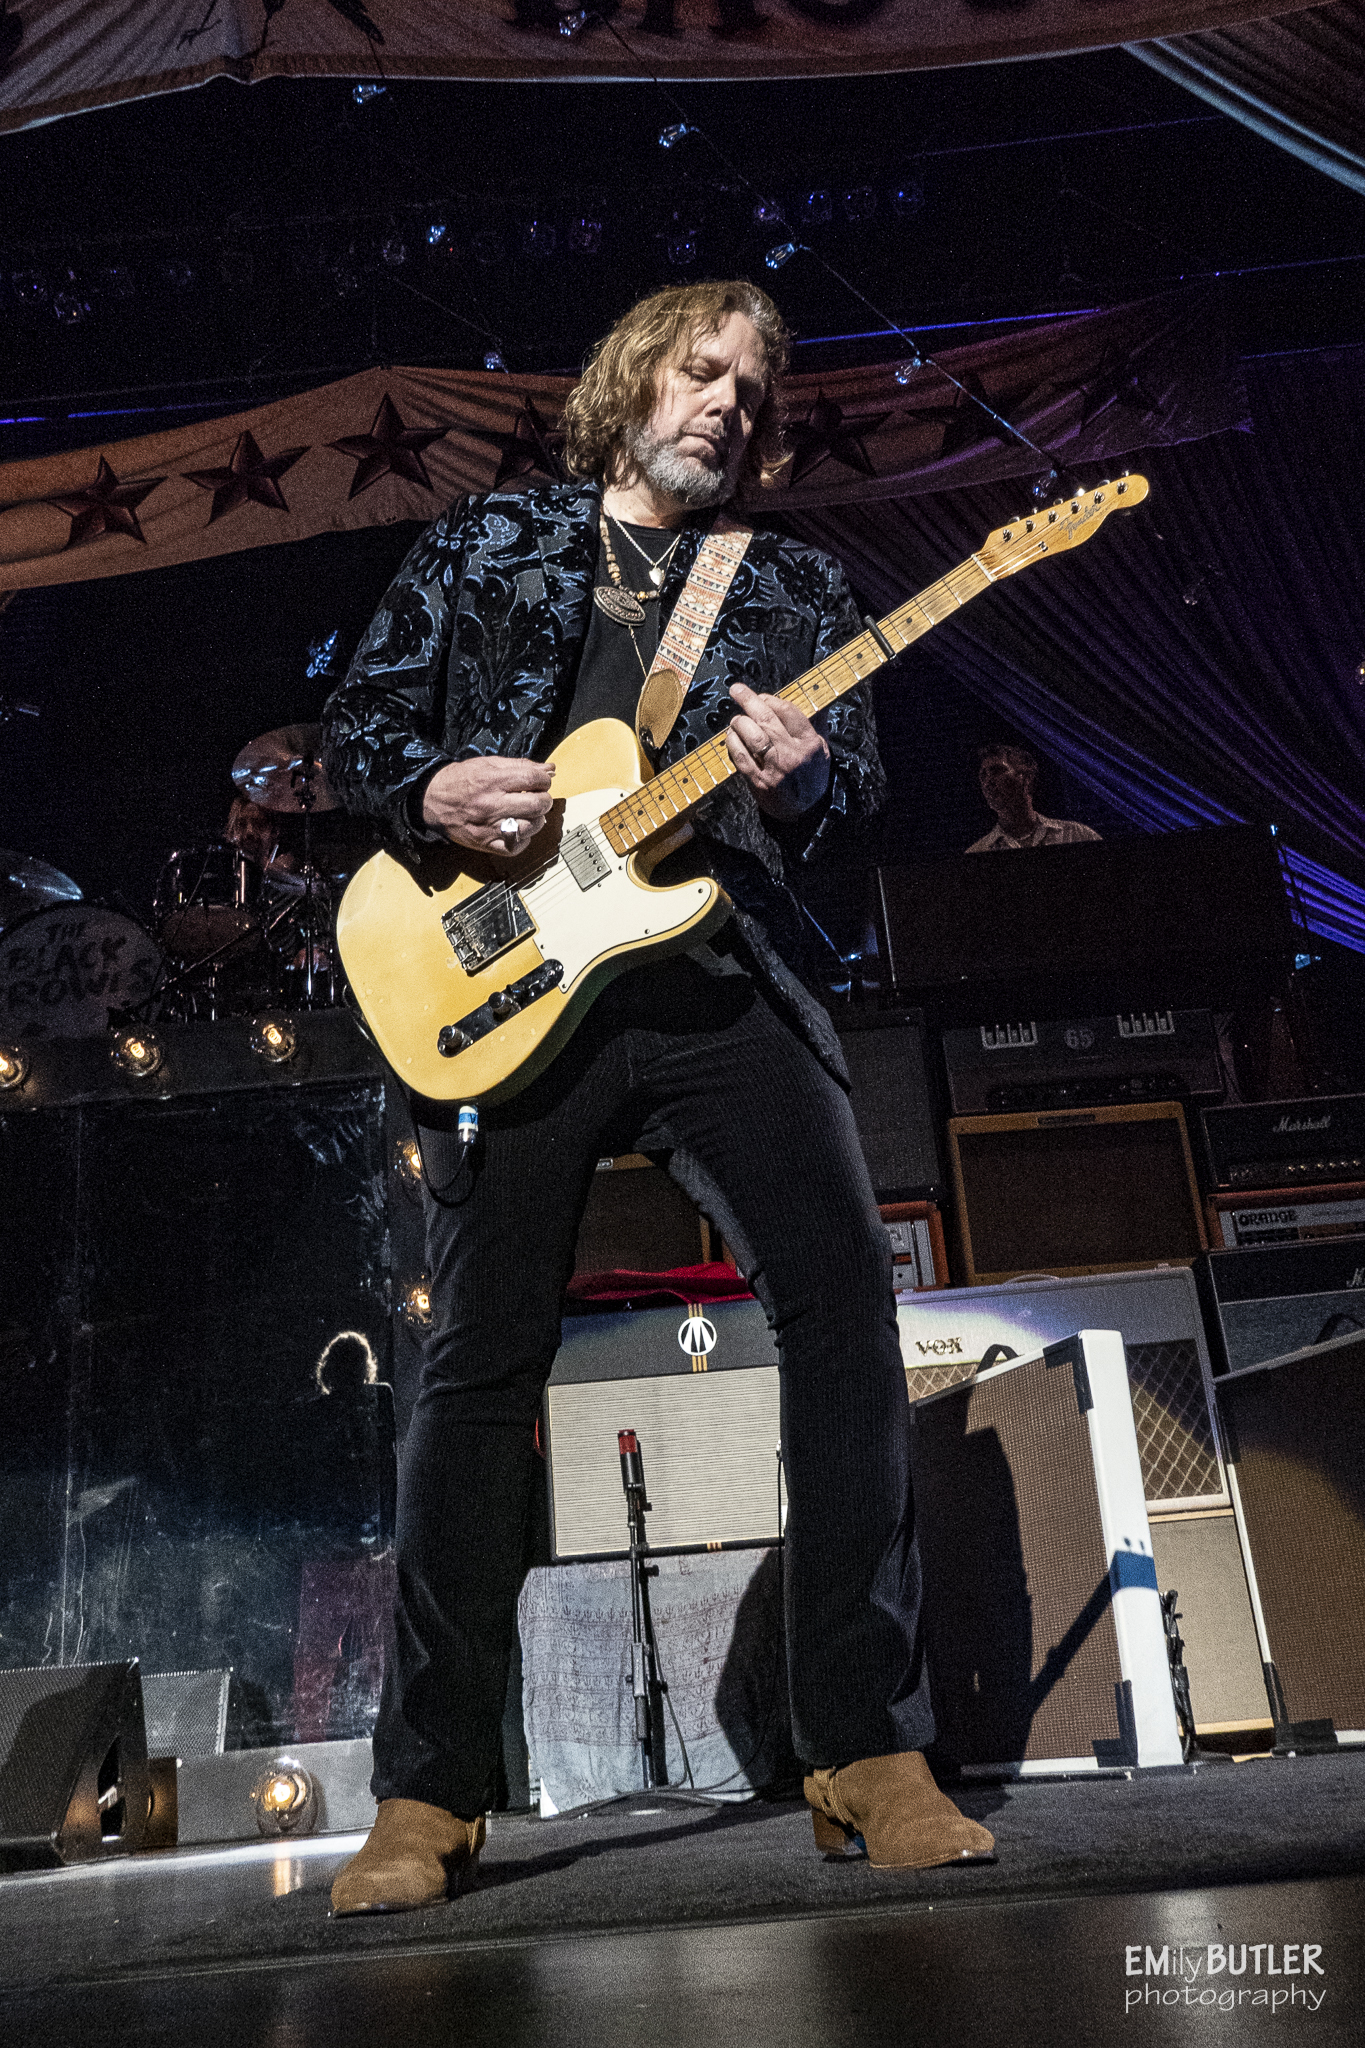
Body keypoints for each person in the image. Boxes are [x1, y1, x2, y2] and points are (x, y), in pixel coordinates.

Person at [321, 279, 994, 1913]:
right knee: (477, 1367)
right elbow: (360, 725)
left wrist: (814, 782)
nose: (727, 404)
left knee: (845, 1310)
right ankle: (429, 1791)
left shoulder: (800, 585)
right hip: (510, 988)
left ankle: (863, 1746)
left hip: (721, 977)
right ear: (633, 379)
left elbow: (861, 809)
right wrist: (429, 788)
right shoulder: (491, 543)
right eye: (703, 372)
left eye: (754, 392)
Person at [966, 742, 1102, 852]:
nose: (988, 782)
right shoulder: (978, 852)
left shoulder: (1078, 836)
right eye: (983, 776)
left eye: (997, 771)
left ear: (1026, 778)